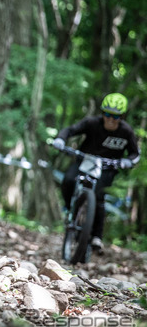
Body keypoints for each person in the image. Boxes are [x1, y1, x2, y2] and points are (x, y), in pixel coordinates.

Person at [52, 92, 140, 253]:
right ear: (102, 113)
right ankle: (68, 208)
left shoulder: (126, 132)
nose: (110, 119)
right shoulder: (91, 123)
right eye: (107, 114)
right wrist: (60, 139)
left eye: (115, 116)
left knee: (99, 197)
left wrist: (128, 161)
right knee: (68, 181)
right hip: (84, 160)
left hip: (107, 168)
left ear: (122, 116)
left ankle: (96, 237)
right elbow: (70, 130)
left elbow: (135, 153)